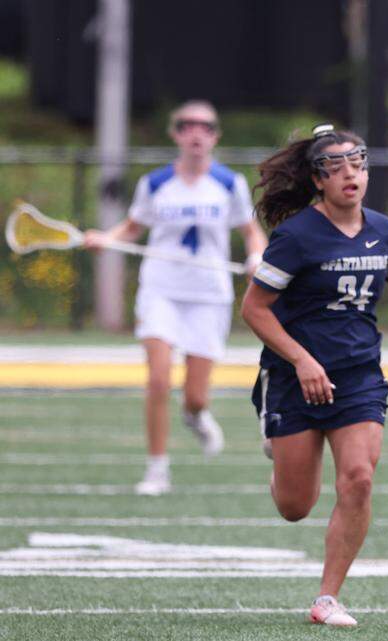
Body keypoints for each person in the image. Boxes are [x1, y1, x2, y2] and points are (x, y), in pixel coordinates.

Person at [241, 124, 388, 627]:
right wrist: (302, 360)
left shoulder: (385, 232)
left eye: (357, 164)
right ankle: (280, 458)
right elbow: (254, 309)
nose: (350, 175)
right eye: (336, 168)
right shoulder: (295, 237)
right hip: (294, 378)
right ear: (318, 180)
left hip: (359, 376)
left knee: (358, 480)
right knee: (295, 506)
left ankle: (328, 597)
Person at [84, 99, 267, 495]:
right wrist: (106, 239)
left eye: (205, 126)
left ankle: (195, 415)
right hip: (161, 290)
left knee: (195, 396)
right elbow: (133, 227)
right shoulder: (155, 184)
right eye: (186, 125)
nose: (196, 132)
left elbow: (252, 232)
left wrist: (256, 257)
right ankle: (157, 469)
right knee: (158, 378)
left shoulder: (229, 183)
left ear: (215, 135)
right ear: (175, 134)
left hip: (209, 295)